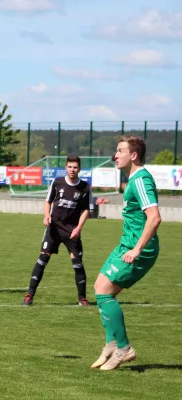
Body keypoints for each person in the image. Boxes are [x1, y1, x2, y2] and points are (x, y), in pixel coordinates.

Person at [91, 136, 161, 371]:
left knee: (104, 290)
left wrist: (136, 249)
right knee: (100, 286)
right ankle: (112, 343)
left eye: (120, 150)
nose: (115, 155)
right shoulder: (132, 179)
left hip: (139, 248)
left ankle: (124, 348)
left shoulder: (141, 180)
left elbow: (154, 217)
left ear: (133, 155)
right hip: (125, 244)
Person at [22, 155, 91, 306]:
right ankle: (29, 295)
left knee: (77, 262)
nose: (72, 170)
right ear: (66, 167)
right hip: (53, 229)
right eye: (70, 166)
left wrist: (78, 228)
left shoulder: (84, 187)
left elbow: (86, 210)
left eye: (75, 167)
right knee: (42, 260)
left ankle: (82, 298)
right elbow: (48, 201)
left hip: (71, 230)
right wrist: (46, 216)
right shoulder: (57, 182)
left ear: (79, 169)